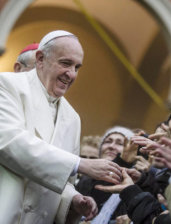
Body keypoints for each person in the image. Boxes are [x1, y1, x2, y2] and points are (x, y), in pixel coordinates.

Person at [0, 30, 122, 224]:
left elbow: (58, 178)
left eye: (77, 67)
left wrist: (73, 199)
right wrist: (80, 164)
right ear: (40, 58)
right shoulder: (7, 85)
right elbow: (9, 142)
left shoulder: (72, 118)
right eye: (65, 63)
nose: (71, 74)